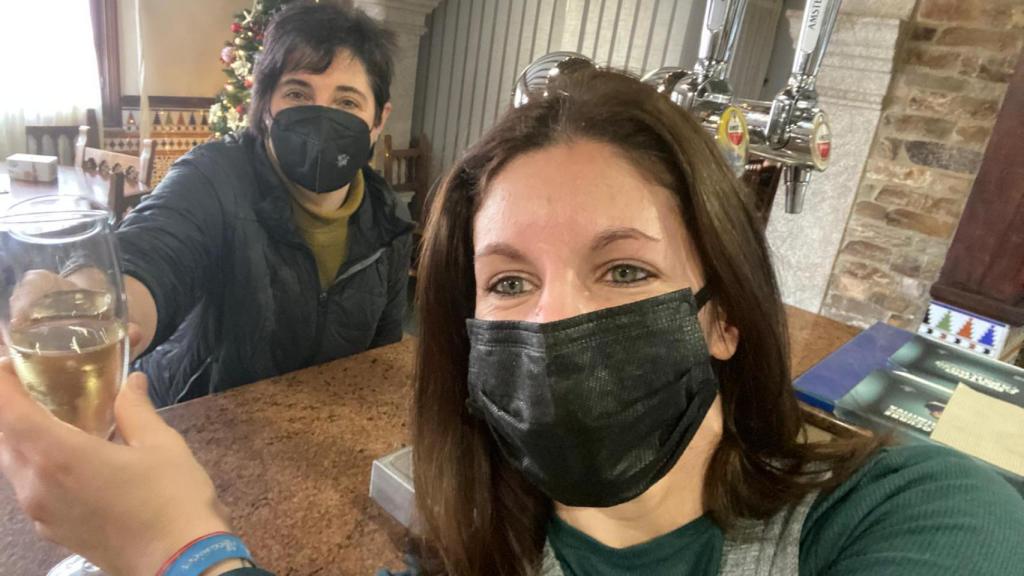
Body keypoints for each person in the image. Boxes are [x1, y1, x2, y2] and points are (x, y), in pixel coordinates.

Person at [1, 68, 1022, 576]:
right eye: (507, 282)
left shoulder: (925, 517)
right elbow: (158, 255)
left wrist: (187, 555)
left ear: (723, 316)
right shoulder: (465, 545)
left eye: (622, 266)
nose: (557, 321)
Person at [126, 1, 413, 405]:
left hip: (311, 434)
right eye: (298, 93)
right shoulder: (214, 178)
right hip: (192, 425)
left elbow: (378, 364)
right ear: (265, 109)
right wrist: (106, 304)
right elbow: (152, 250)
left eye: (347, 102)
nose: (320, 119)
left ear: (378, 120)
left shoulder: (390, 220)